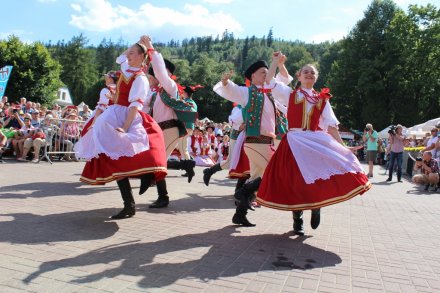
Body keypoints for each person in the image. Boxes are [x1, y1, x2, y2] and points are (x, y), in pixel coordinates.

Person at [256, 53, 371, 235]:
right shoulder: (290, 94)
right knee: (295, 181)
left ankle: (316, 207)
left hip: (316, 142)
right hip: (295, 142)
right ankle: (297, 220)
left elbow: (332, 127)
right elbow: (268, 82)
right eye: (305, 72)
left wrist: (342, 147)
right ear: (299, 76)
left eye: (312, 72)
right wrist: (275, 63)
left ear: (316, 77)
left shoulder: (322, 99)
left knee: (318, 175)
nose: (309, 74)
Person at [76, 37, 167, 219]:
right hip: (115, 115)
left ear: (142, 56)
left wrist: (125, 128)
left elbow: (135, 105)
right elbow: (121, 58)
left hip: (127, 118)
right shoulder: (126, 69)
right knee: (112, 158)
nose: (128, 54)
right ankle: (130, 203)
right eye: (129, 52)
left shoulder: (140, 78)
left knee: (129, 157)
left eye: (133, 52)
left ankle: (141, 188)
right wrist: (135, 46)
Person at [213, 59, 287, 227]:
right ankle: (242, 192)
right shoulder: (248, 93)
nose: (267, 76)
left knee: (256, 177)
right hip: (256, 142)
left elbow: (284, 85)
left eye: (267, 73)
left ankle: (240, 214)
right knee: (275, 171)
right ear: (252, 76)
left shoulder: (270, 94)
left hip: (266, 142)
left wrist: (279, 65)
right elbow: (232, 90)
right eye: (263, 72)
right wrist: (225, 82)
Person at [140, 36, 197, 208]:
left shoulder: (170, 87)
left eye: (154, 75)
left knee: (157, 161)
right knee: (156, 160)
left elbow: (159, 71)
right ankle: (185, 165)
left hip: (170, 129)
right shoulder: (156, 93)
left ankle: (161, 194)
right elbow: (141, 107)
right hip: (159, 131)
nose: (152, 77)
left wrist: (149, 47)